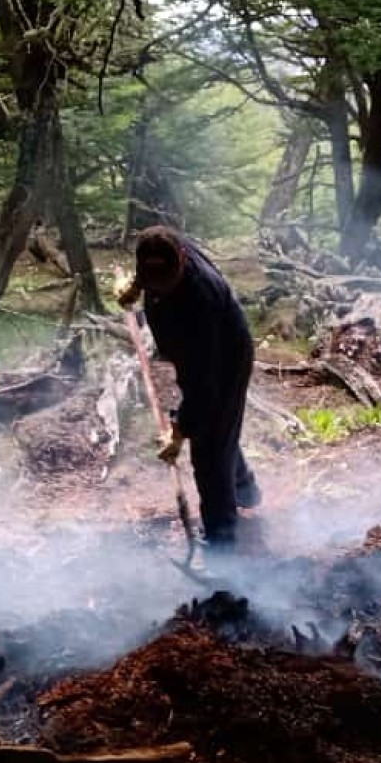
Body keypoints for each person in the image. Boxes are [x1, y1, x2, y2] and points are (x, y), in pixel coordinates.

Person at [118, 227, 261, 547]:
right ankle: (245, 491)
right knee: (220, 431)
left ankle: (221, 541)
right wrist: (136, 286)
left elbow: (203, 386)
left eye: (164, 282)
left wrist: (180, 431)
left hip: (225, 359)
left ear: (182, 260)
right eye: (150, 280)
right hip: (192, 358)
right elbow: (154, 259)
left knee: (209, 449)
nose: (158, 288)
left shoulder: (201, 300)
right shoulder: (162, 245)